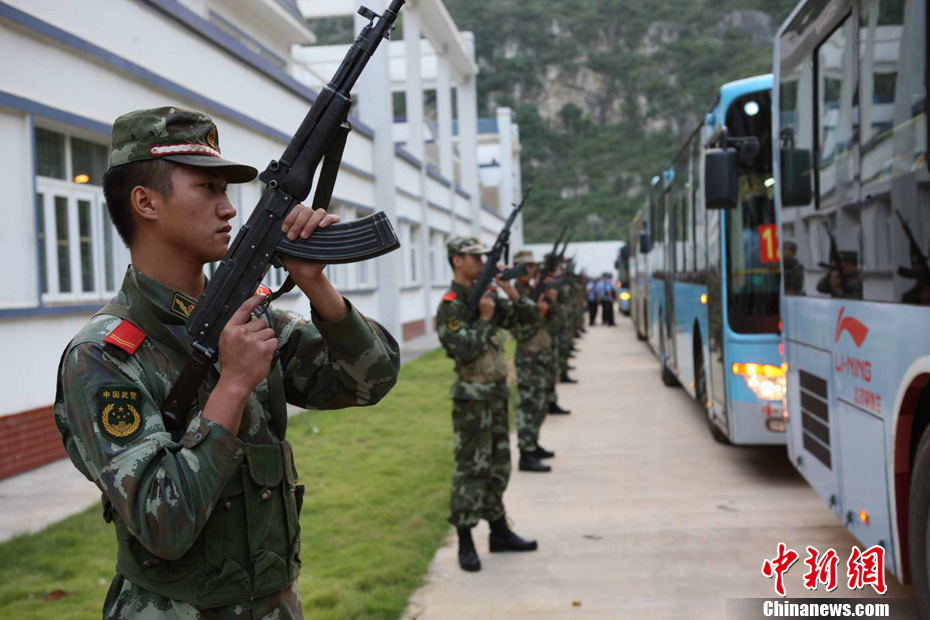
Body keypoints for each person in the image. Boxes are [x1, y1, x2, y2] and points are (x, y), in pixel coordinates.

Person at [54, 107, 401, 619]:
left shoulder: (249, 318)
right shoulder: (103, 355)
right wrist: (233, 385)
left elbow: (371, 381)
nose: (229, 208)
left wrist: (315, 283)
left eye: (226, 190)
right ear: (145, 202)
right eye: (208, 188)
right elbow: (162, 523)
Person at [436, 237, 539, 573]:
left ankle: (498, 531)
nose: (482, 263)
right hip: (472, 399)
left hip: (496, 396)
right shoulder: (451, 305)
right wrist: (483, 318)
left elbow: (528, 319)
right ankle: (465, 540)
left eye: (484, 258)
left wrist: (509, 290)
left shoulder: (487, 298)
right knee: (471, 469)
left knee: (498, 466)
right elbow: (463, 350)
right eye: (475, 258)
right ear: (457, 261)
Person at [508, 250, 555, 473]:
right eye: (524, 266)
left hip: (541, 354)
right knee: (529, 405)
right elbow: (518, 332)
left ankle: (533, 443)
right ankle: (526, 453)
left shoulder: (532, 290)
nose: (530, 270)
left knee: (541, 403)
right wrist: (539, 316)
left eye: (532, 266)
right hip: (528, 357)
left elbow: (553, 315)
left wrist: (549, 299)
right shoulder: (514, 295)